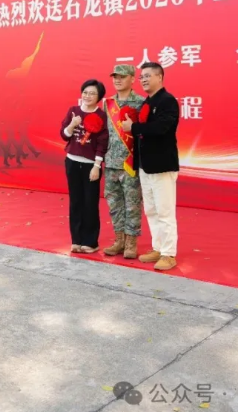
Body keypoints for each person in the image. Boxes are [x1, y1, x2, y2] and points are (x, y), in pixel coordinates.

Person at [121, 61, 180, 272]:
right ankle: (158, 247)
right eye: (141, 77)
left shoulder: (167, 101)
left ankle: (168, 253)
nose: (143, 80)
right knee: (152, 210)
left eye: (148, 76)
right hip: (145, 166)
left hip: (162, 166)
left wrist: (133, 127)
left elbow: (161, 128)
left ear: (160, 77)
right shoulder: (147, 102)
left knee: (165, 211)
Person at [102, 64, 146, 259]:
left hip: (130, 163)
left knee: (132, 204)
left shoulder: (141, 103)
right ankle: (119, 240)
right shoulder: (107, 104)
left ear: (132, 79)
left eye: (122, 76)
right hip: (111, 162)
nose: (117, 80)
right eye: (115, 77)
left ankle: (131, 242)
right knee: (114, 203)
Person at [60, 79, 109, 254]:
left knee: (90, 202)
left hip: (90, 165)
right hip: (72, 162)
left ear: (99, 97)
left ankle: (91, 241)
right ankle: (76, 240)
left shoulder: (102, 116)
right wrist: (72, 125)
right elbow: (64, 135)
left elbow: (102, 143)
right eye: (85, 92)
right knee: (75, 202)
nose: (87, 96)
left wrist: (97, 166)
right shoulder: (73, 111)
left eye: (92, 93)